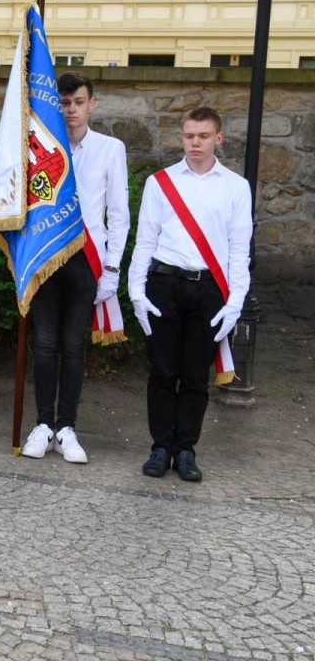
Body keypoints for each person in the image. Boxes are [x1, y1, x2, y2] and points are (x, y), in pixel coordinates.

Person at [128, 107, 251, 483]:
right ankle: (160, 446)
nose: (194, 143)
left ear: (219, 138)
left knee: (196, 375)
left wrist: (235, 302)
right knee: (162, 372)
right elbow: (145, 239)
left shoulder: (235, 186)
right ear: (182, 137)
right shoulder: (161, 182)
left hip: (210, 289)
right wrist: (135, 288)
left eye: (202, 136)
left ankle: (186, 451)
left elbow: (238, 249)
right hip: (164, 284)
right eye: (188, 136)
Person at [21, 71, 129, 464]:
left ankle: (67, 427)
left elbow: (118, 215)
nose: (70, 110)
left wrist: (113, 270)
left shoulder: (110, 149)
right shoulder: (39, 148)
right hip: (48, 254)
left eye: (78, 102)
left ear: (91, 104)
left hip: (88, 259)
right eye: (64, 103)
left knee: (73, 345)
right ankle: (43, 424)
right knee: (46, 342)